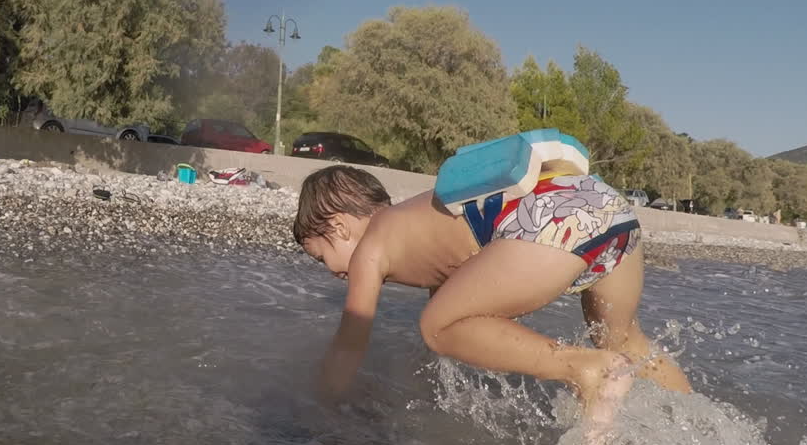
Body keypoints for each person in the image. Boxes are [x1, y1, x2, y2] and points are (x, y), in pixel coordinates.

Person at [294, 165, 692, 431]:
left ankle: (585, 370)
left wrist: (319, 409)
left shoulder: (371, 246)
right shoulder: (422, 229)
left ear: (340, 227)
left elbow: (350, 342)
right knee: (622, 338)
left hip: (547, 215)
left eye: (320, 256)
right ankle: (692, 419)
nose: (331, 270)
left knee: (436, 325)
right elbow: (479, 326)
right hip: (606, 207)